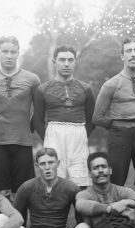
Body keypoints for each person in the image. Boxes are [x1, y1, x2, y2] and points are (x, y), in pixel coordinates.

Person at [92, 36, 135, 193]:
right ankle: (114, 214)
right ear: (122, 56)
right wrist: (117, 125)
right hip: (120, 135)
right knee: (116, 179)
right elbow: (97, 117)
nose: (133, 54)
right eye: (129, 51)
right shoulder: (111, 84)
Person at [12, 148, 90, 228]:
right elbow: (16, 218)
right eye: (43, 164)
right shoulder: (27, 187)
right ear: (37, 166)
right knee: (15, 227)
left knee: (84, 226)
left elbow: (81, 218)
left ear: (58, 163)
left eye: (51, 162)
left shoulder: (71, 188)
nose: (47, 167)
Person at [0, 36, 40, 199]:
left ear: (18, 53)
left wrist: (28, 126)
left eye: (13, 52)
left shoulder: (32, 79)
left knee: (22, 191)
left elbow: (39, 108)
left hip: (22, 142)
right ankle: (2, 225)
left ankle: (20, 224)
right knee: (1, 192)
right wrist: (1, 126)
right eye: (5, 51)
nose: (9, 56)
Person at [31, 45, 95, 188]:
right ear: (54, 61)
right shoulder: (43, 89)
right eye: (62, 60)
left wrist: (82, 135)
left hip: (78, 135)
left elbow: (92, 119)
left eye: (70, 60)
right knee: (55, 180)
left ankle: (80, 208)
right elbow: (37, 120)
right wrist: (48, 137)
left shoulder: (86, 89)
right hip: (54, 135)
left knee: (80, 182)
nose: (66, 64)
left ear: (75, 62)